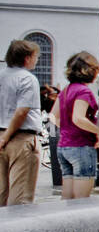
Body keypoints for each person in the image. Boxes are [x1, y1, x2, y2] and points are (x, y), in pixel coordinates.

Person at [0, 39, 42, 205]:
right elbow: (22, 111)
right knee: (20, 196)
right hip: (20, 137)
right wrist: (7, 136)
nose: (36, 60)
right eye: (35, 57)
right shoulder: (27, 79)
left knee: (2, 192)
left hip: (1, 134)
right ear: (27, 58)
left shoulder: (1, 75)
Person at [56, 52, 99, 200]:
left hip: (63, 146)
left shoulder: (65, 91)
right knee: (81, 200)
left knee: (67, 197)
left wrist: (67, 129)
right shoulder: (83, 91)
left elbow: (53, 116)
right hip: (81, 146)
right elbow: (78, 118)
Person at [41, 83, 62, 192]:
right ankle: (59, 180)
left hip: (52, 123)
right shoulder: (56, 101)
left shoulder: (48, 102)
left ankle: (58, 180)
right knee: (55, 151)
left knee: (55, 153)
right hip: (54, 123)